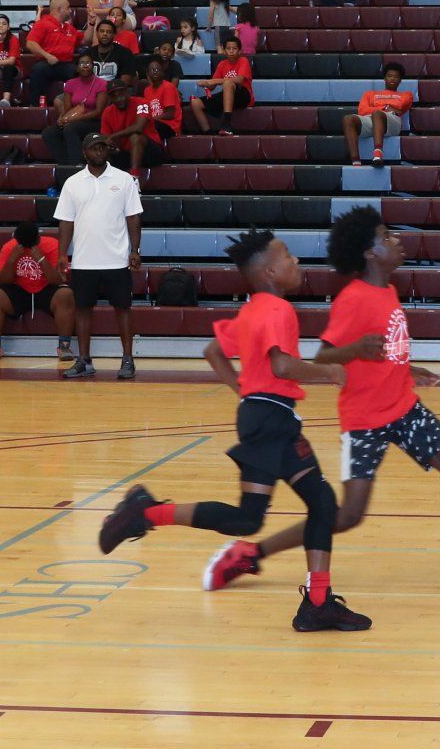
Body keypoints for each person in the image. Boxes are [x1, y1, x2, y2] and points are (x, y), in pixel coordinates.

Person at [203, 209, 440, 595]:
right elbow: (325, 355)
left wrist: (407, 369)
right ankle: (252, 553)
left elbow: (384, 352)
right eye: (387, 236)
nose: (397, 241)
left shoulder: (388, 291)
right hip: (364, 420)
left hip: (404, 408)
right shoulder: (353, 300)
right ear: (370, 253)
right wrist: (356, 349)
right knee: (348, 515)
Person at [97, 227, 369, 633]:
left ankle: (146, 511)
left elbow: (214, 351)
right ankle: (316, 603)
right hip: (272, 420)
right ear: (269, 272)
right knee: (321, 504)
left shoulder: (251, 310)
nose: (296, 260)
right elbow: (282, 366)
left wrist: (246, 392)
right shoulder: (277, 310)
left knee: (251, 519)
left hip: (261, 416)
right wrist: (327, 371)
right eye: (288, 256)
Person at [55, 132, 142, 379]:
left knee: (123, 309)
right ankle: (84, 360)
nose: (99, 151)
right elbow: (66, 221)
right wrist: (62, 254)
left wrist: (135, 250)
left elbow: (133, 217)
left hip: (117, 259)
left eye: (102, 147)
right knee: (82, 309)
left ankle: (128, 359)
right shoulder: (72, 183)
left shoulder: (124, 179)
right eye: (94, 148)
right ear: (85, 153)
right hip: (84, 260)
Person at [0, 222, 76, 361]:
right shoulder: (10, 247)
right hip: (20, 289)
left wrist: (41, 258)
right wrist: (12, 259)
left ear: (38, 238)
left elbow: (58, 280)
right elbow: (1, 281)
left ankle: (64, 346)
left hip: (46, 288)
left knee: (66, 294)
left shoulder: (53, 245)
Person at [41, 54, 107, 164]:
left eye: (88, 63)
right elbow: (68, 109)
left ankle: (77, 164)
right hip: (74, 119)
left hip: (94, 121)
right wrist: (62, 118)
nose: (85, 65)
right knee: (49, 133)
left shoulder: (101, 83)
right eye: (82, 63)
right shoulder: (70, 84)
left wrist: (72, 120)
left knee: (70, 128)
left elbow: (98, 112)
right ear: (77, 68)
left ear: (93, 66)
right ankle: (66, 164)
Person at [344, 62, 412, 166]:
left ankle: (377, 155)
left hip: (392, 121)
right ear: (384, 78)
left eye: (396, 77)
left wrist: (377, 109)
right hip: (372, 119)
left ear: (400, 80)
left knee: (377, 114)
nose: (392, 79)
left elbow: (401, 107)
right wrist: (385, 107)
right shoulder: (370, 94)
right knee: (348, 119)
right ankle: (355, 161)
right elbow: (362, 110)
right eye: (389, 76)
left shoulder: (406, 95)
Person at [21, 0, 82, 107]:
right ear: (59, 9)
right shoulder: (42, 24)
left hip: (66, 64)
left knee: (77, 71)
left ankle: (76, 105)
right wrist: (47, 55)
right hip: (47, 62)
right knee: (38, 70)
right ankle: (35, 105)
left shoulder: (69, 28)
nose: (70, 11)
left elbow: (85, 40)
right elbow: (30, 43)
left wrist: (92, 23)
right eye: (68, 8)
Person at [189, 36, 253, 136]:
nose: (231, 51)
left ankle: (227, 124)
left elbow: (239, 80)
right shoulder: (222, 64)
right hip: (227, 95)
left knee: (228, 83)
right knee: (195, 103)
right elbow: (212, 87)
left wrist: (214, 81)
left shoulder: (243, 60)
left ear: (239, 51)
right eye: (228, 48)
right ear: (224, 51)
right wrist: (206, 83)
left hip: (243, 95)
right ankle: (207, 133)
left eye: (234, 48)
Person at [96, 79, 152, 173]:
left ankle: (134, 176)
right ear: (110, 98)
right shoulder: (107, 111)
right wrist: (110, 145)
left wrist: (113, 136)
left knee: (136, 137)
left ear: (127, 92)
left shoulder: (142, 103)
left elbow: (139, 127)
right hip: (126, 152)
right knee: (101, 146)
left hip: (149, 151)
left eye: (121, 94)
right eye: (114, 96)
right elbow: (106, 137)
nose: (119, 99)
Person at [136, 56, 182, 158]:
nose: (155, 72)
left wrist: (149, 119)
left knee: (145, 126)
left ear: (163, 73)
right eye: (152, 70)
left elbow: (170, 114)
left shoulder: (168, 87)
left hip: (170, 126)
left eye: (158, 69)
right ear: (148, 73)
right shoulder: (147, 90)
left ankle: (159, 154)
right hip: (154, 123)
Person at [80, 16, 139, 86]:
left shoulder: (125, 53)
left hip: (115, 90)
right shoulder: (87, 54)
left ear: (114, 35)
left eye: (109, 32)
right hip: (91, 90)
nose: (105, 34)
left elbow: (125, 83)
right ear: (97, 34)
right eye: (102, 31)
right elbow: (81, 80)